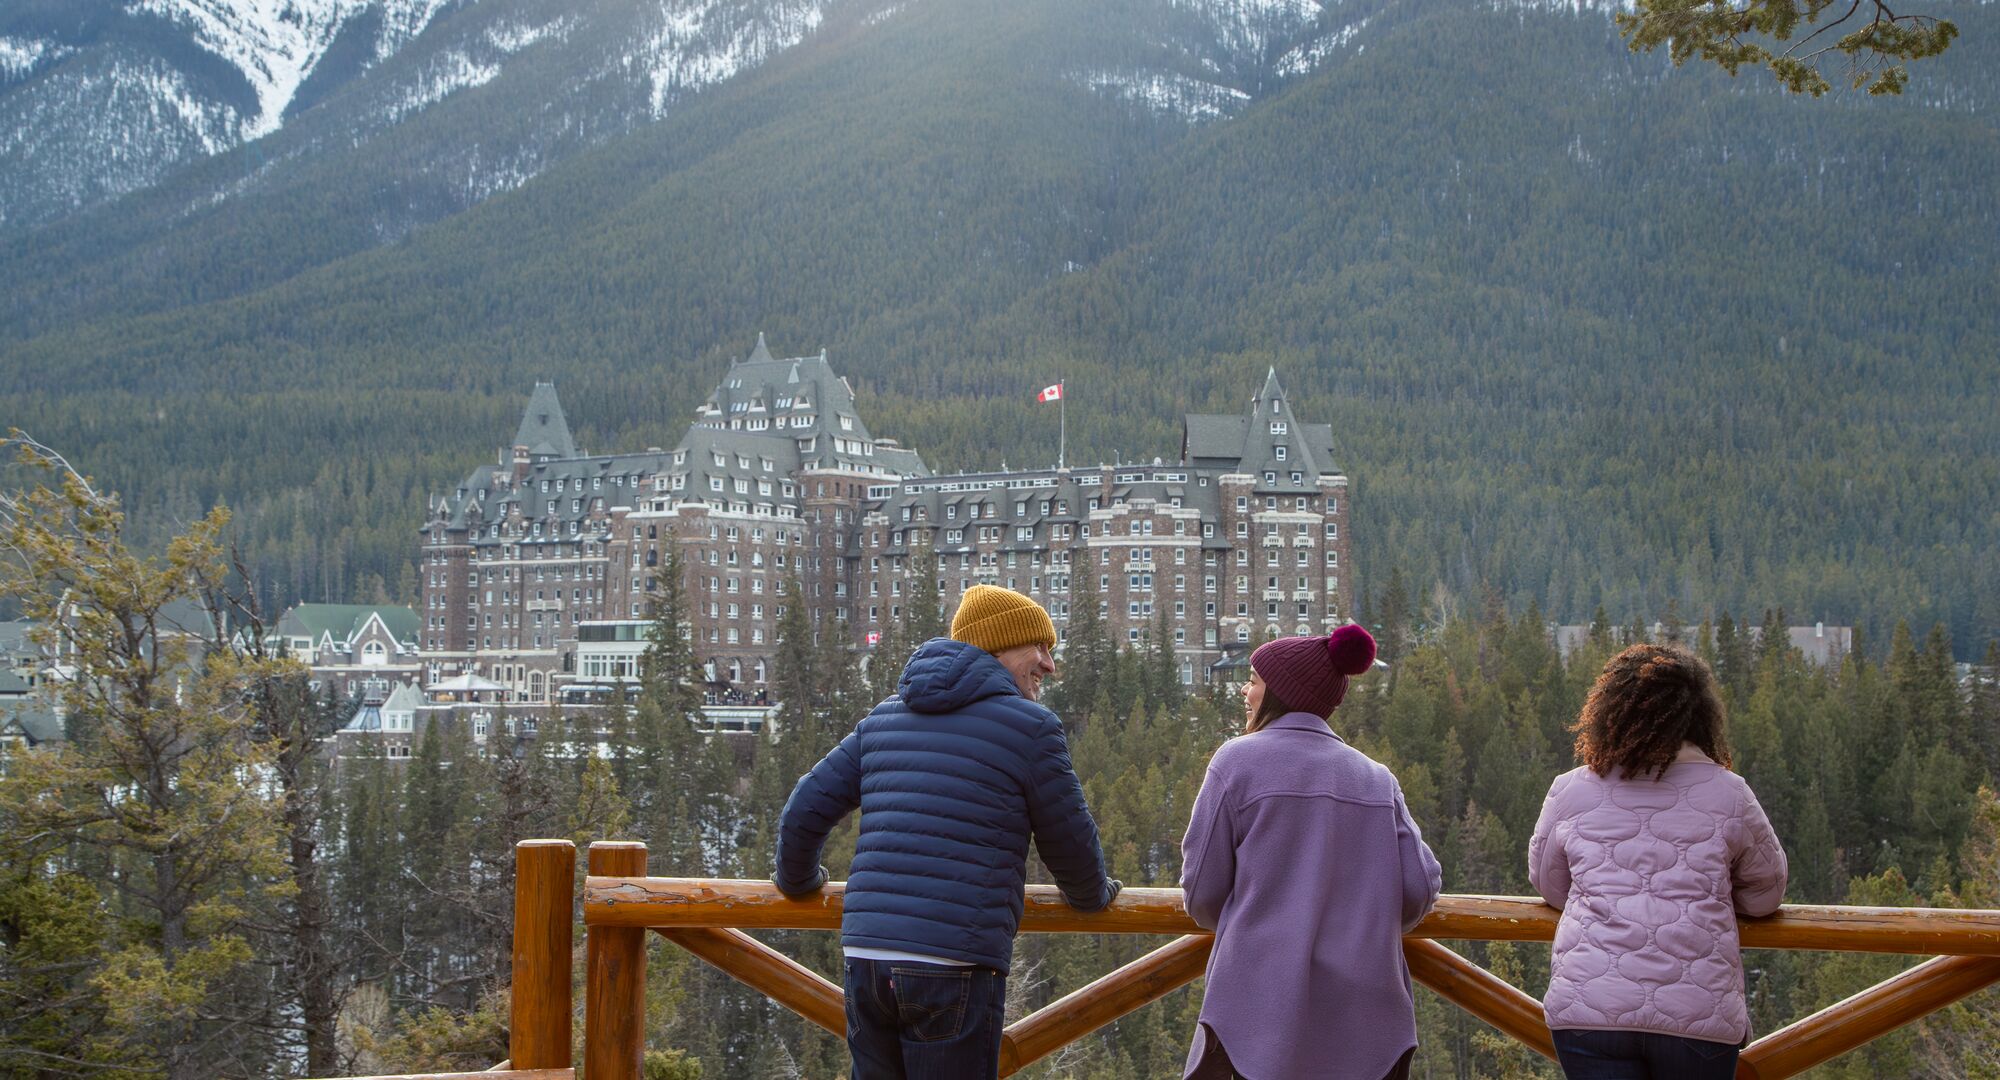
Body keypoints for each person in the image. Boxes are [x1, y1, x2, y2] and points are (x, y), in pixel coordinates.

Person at [774, 584, 1121, 1080]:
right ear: (998, 647)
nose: (1049, 664)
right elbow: (1068, 841)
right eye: (1039, 648)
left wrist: (798, 883)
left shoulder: (884, 719)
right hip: (953, 963)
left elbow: (803, 810)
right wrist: (1091, 898)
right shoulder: (1030, 728)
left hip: (867, 959)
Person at [1180, 625, 1441, 1080]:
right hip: (1367, 1026)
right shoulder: (1377, 779)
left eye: (1255, 680)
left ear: (1280, 692)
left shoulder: (1235, 763)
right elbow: (1419, 889)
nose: (1246, 689)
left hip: (1253, 1019)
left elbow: (1201, 892)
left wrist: (1251, 924)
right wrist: (1364, 926)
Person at [1530, 643, 1789, 1079]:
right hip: (1697, 1014)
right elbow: (1766, 894)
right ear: (1699, 716)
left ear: (1609, 711)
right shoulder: (1730, 792)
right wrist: (1714, 895)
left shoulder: (1571, 790)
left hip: (1591, 1010)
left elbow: (1549, 883)